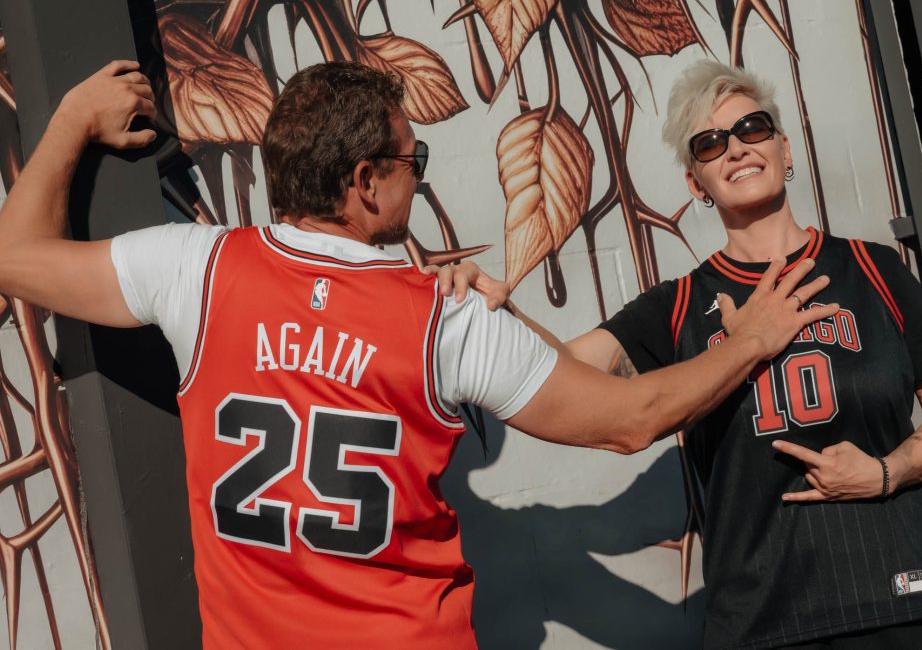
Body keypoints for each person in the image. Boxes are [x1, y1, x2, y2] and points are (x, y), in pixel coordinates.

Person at [0, 60, 836, 649]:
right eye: (412, 160)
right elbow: (630, 421)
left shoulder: (198, 268)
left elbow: (14, 253)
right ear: (365, 182)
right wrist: (755, 339)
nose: (420, 179)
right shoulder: (444, 318)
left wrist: (74, 117)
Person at [453, 60, 922, 649]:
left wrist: (883, 474)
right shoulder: (680, 307)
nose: (735, 148)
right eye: (710, 143)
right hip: (766, 624)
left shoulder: (873, 269)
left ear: (784, 148)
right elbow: (566, 370)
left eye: (752, 128)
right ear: (695, 182)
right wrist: (500, 307)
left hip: (905, 604)